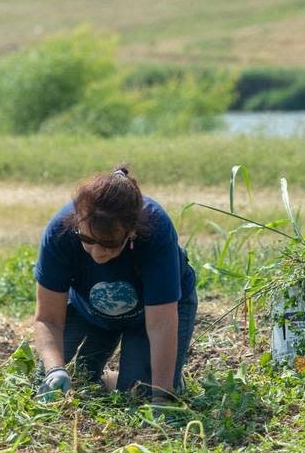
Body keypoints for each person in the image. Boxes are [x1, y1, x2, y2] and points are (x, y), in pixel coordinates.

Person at [32, 165, 197, 405]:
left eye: (109, 244)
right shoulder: (59, 232)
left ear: (131, 233)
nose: (97, 253)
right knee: (57, 380)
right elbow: (48, 318)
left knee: (140, 395)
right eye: (87, 240)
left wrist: (162, 395)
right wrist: (55, 369)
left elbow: (161, 322)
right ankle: (117, 379)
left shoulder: (156, 230)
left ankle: (169, 380)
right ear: (77, 222)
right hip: (89, 311)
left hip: (152, 315)